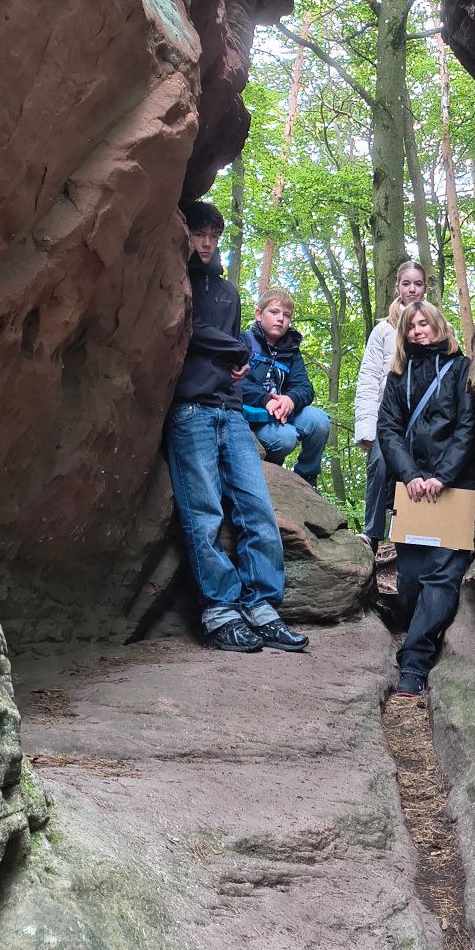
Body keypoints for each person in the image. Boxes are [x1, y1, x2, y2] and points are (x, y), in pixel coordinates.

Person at [165, 201, 309, 654]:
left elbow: (231, 353)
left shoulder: (228, 292)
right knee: (204, 512)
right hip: (190, 409)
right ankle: (220, 610)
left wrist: (238, 363)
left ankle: (262, 606)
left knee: (257, 509)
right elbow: (187, 329)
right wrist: (239, 350)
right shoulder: (173, 277)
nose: (206, 243)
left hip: (228, 411)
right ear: (185, 233)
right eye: (199, 233)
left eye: (213, 235)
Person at [376, 300, 475, 697]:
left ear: (438, 325)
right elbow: (388, 428)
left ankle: (414, 664)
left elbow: (468, 425)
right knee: (411, 580)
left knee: (441, 577)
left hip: (455, 490)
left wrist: (443, 476)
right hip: (413, 492)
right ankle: (418, 633)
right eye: (411, 325)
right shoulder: (398, 375)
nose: (418, 330)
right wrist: (412, 475)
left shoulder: (461, 368)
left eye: (424, 323)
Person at [354, 259, 427, 545]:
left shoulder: (437, 326)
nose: (412, 289)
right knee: (381, 463)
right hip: (390, 417)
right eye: (406, 284)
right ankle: (372, 533)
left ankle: (415, 534)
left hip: (425, 417)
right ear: (397, 287)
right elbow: (369, 379)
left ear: (425, 288)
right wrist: (367, 428)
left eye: (418, 284)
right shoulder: (383, 331)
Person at [242, 287, 331, 489]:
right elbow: (235, 382)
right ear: (259, 314)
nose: (280, 319)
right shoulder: (244, 342)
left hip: (282, 413)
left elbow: (304, 387)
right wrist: (265, 400)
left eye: (286, 315)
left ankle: (306, 476)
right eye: (274, 312)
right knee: (286, 439)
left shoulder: (291, 351)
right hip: (253, 418)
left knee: (319, 420)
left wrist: (290, 400)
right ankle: (269, 471)